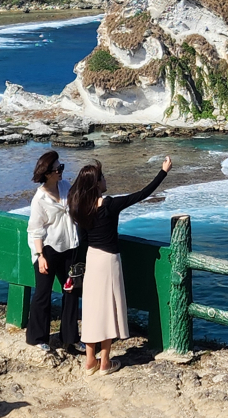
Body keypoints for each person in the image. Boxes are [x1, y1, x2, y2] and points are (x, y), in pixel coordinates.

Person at [68, 156, 172, 375]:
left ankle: (89, 362)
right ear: (97, 184)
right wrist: (163, 172)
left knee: (91, 310)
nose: (106, 180)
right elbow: (143, 194)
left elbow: (83, 240)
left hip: (92, 259)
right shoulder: (109, 205)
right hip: (109, 260)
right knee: (108, 310)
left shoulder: (80, 208)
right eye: (102, 177)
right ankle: (104, 362)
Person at [26, 150, 83, 353]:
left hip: (70, 248)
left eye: (61, 167)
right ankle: (37, 337)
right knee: (43, 293)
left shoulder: (65, 186)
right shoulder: (39, 199)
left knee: (71, 291)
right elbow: (35, 230)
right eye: (58, 169)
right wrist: (40, 256)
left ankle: (70, 338)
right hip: (48, 251)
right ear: (47, 173)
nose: (61, 171)